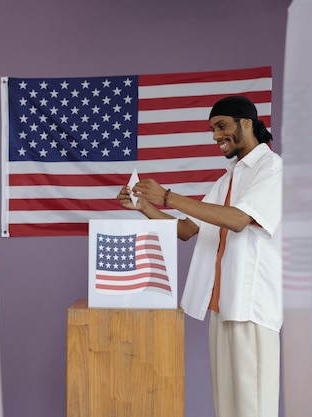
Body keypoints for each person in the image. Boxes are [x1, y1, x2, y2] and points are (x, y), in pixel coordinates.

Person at [117, 95, 282, 417]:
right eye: (211, 129)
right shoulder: (227, 179)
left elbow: (237, 220)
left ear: (245, 123)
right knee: (227, 406)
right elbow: (187, 230)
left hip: (252, 305)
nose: (215, 136)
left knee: (254, 405)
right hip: (221, 306)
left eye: (221, 126)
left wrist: (167, 196)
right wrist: (144, 207)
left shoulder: (272, 168)